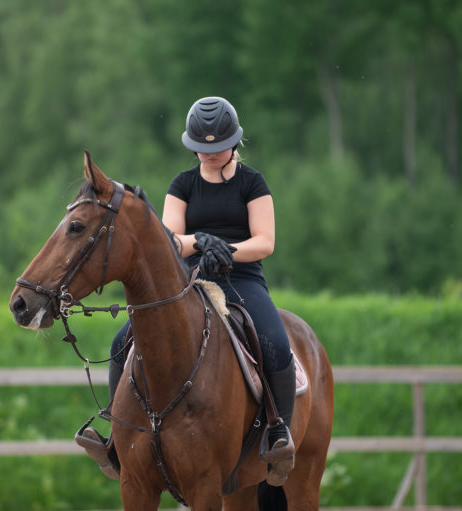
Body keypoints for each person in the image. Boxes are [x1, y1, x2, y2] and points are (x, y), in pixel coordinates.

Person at [78, 96, 296, 485]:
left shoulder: (252, 182)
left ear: (234, 143)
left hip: (242, 278)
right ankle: (117, 436)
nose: (209, 155)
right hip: (190, 279)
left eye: (217, 148)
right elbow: (170, 240)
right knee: (119, 343)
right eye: (202, 149)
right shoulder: (183, 183)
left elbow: (265, 241)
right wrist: (201, 242)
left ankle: (278, 432)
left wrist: (226, 249)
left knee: (276, 343)